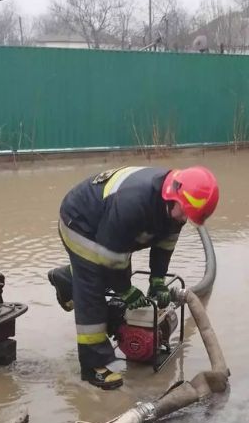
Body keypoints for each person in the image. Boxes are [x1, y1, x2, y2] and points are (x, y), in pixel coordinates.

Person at [48, 165, 219, 389]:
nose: (185, 218)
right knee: (93, 285)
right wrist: (125, 290)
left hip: (107, 223)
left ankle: (67, 278)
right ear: (173, 196)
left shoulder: (175, 206)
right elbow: (111, 255)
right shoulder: (135, 201)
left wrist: (157, 281)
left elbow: (165, 244)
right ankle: (93, 366)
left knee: (112, 272)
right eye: (185, 212)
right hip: (80, 221)